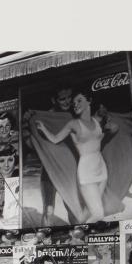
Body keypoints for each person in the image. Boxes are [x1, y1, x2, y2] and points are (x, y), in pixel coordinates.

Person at [34, 91, 108, 223]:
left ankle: (78, 230)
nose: (73, 104)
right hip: (85, 170)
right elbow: (55, 139)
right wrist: (43, 128)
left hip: (101, 168)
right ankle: (78, 233)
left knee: (89, 210)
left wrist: (107, 126)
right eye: (73, 103)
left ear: (89, 101)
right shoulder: (73, 123)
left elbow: (111, 128)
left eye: (78, 100)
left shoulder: (96, 120)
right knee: (98, 213)